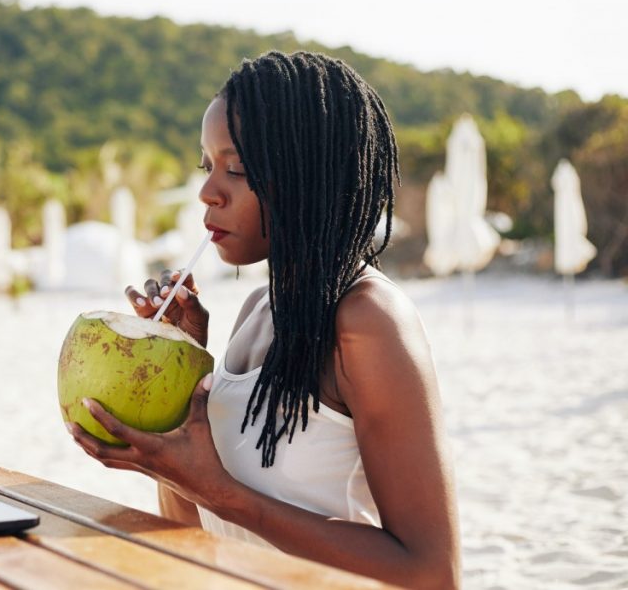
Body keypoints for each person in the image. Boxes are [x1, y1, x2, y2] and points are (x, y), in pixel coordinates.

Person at [67, 51, 461, 588]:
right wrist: (175, 388)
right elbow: (190, 527)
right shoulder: (257, 311)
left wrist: (224, 495)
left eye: (239, 169)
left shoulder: (368, 321)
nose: (208, 191)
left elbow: (431, 574)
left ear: (311, 174)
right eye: (207, 166)